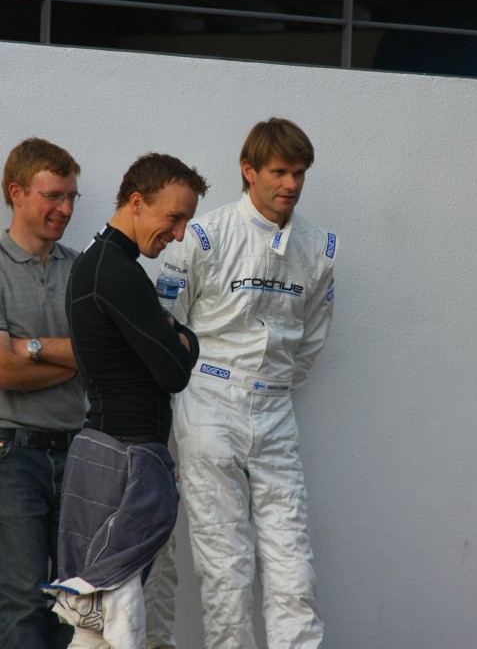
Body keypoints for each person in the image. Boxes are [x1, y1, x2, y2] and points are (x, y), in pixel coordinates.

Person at [163, 117, 337, 649]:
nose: (291, 184)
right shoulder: (204, 235)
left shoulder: (319, 247)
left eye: (299, 173)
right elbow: (165, 327)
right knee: (226, 565)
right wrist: (201, 388)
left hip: (276, 410)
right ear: (249, 171)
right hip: (209, 405)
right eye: (279, 172)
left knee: (294, 568)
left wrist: (271, 386)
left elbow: (312, 339)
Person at [45, 153, 208, 649]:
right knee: (114, 619)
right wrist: (186, 339)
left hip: (110, 453)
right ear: (136, 202)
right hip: (125, 458)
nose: (178, 234)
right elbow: (174, 372)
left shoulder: (97, 265)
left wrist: (177, 336)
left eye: (186, 221)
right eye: (173, 218)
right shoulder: (116, 272)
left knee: (97, 619)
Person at [0, 137, 85, 649]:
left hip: (79, 453)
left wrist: (29, 347)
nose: (66, 209)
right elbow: (3, 372)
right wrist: (77, 358)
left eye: (71, 196)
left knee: (77, 604)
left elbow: (105, 356)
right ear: (16, 193)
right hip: (13, 455)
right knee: (22, 601)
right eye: (53, 196)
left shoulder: (83, 269)